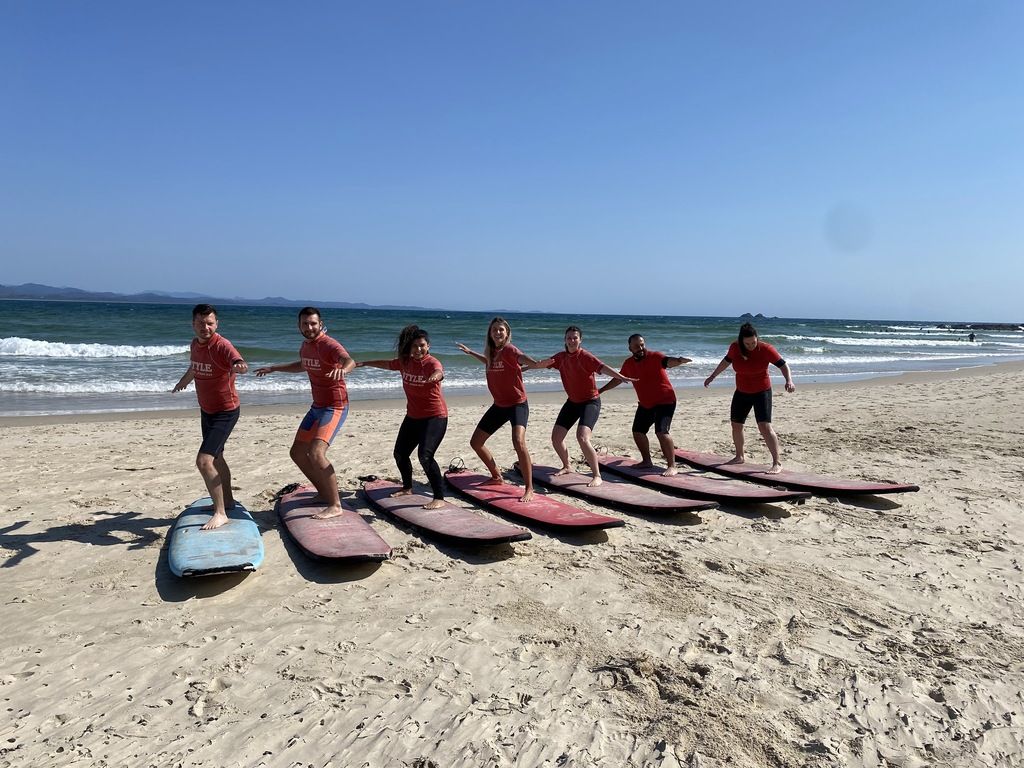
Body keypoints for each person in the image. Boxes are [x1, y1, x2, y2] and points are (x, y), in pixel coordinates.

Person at [255, 307, 354, 519]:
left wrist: (343, 370)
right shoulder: (306, 346)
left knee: (317, 454)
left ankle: (335, 505)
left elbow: (348, 360)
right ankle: (322, 493)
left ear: (320, 324)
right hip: (317, 406)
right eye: (305, 324)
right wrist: (273, 368)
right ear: (299, 325)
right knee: (297, 453)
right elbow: (302, 365)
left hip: (335, 406)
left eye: (313, 324)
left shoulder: (329, 344)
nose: (309, 327)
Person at [525, 325, 636, 487]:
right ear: (565, 340)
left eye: (575, 338)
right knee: (556, 438)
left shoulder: (586, 357)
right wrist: (524, 368)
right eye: (569, 338)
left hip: (590, 402)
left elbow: (603, 367)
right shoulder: (561, 357)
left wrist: (620, 376)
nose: (572, 340)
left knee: (582, 437)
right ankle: (567, 466)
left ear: (580, 340)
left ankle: (597, 475)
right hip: (572, 402)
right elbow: (543, 363)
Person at [172, 304, 249, 530]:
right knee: (217, 458)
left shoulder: (222, 345)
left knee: (204, 461)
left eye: (210, 323)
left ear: (216, 324)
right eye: (200, 323)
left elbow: (237, 361)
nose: (205, 327)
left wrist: (240, 366)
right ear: (193, 324)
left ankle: (220, 512)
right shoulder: (195, 344)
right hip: (207, 410)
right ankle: (229, 500)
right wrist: (183, 382)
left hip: (226, 411)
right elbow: (195, 367)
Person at [357, 325, 448, 509]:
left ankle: (439, 497)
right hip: (413, 417)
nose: (418, 349)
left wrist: (435, 377)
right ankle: (407, 487)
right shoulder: (404, 362)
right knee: (400, 453)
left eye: (422, 345)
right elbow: (387, 363)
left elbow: (439, 371)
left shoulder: (432, 363)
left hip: (435, 417)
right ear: (409, 348)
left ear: (428, 346)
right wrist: (366, 363)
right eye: (414, 346)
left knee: (425, 456)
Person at [456, 317, 538, 502]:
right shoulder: (492, 353)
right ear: (490, 333)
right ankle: (496, 477)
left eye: (501, 329)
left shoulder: (510, 349)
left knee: (518, 442)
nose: (498, 332)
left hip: (517, 404)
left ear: (507, 333)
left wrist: (535, 363)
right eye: (494, 330)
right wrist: (470, 352)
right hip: (500, 405)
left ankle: (529, 487)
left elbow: (522, 358)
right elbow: (488, 361)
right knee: (476, 442)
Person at [703, 322, 795, 474]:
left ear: (757, 338)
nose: (751, 345)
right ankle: (739, 456)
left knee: (764, 426)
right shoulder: (734, 348)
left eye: (754, 342)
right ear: (741, 341)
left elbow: (783, 365)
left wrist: (789, 380)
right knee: (736, 425)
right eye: (747, 343)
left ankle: (776, 462)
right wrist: (712, 376)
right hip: (742, 391)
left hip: (762, 392)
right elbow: (726, 361)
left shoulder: (766, 349)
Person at [599, 334, 691, 476]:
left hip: (665, 401)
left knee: (661, 431)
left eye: (642, 344)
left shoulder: (655, 356)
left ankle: (672, 465)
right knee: (638, 431)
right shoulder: (628, 363)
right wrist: (602, 390)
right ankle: (647, 461)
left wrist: (679, 360)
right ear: (630, 348)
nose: (640, 348)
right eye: (636, 346)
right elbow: (618, 379)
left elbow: (668, 362)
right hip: (646, 404)